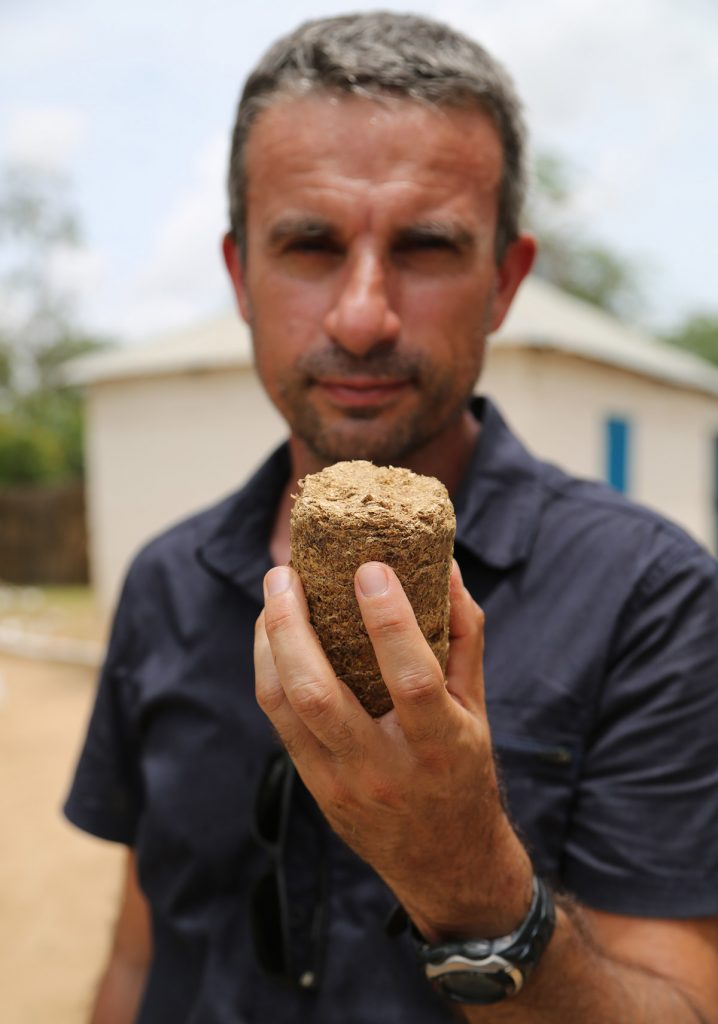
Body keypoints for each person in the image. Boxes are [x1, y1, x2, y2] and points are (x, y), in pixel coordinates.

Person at [65, 11, 718, 1023]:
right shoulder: (166, 579)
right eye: (309, 245)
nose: (362, 315)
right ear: (241, 276)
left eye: (425, 246)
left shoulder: (649, 594)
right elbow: (142, 953)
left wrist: (471, 881)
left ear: (503, 281)